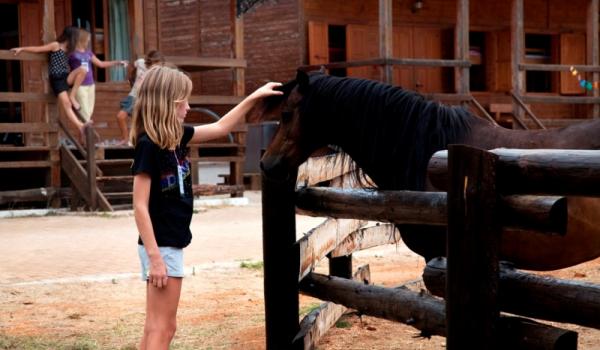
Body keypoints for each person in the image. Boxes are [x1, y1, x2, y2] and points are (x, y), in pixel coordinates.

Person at [130, 65, 282, 349]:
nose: (188, 107)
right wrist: (156, 259)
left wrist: (255, 97)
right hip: (161, 246)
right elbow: (139, 206)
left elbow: (221, 127)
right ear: (166, 103)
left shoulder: (176, 137)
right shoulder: (149, 145)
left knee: (155, 327)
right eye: (183, 101)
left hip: (167, 243)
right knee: (164, 329)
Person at [10, 26, 89, 142]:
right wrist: (21, 48)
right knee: (66, 104)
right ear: (71, 36)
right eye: (76, 37)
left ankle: (72, 95)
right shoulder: (56, 45)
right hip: (57, 79)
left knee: (83, 69)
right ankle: (80, 125)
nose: (77, 39)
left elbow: (83, 51)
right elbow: (38, 49)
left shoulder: (69, 49)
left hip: (65, 77)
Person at [68, 28, 128, 123]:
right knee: (85, 114)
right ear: (81, 39)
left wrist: (117, 62)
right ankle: (88, 135)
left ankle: (83, 136)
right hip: (80, 86)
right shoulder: (71, 54)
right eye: (87, 39)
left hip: (91, 85)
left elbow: (101, 64)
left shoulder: (88, 53)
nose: (88, 41)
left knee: (88, 113)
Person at [116, 50, 165, 145]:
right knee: (120, 116)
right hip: (133, 96)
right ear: (151, 61)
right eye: (156, 63)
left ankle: (133, 140)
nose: (157, 66)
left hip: (144, 99)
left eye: (160, 64)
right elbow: (131, 66)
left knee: (141, 122)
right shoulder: (141, 62)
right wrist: (130, 78)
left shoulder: (157, 73)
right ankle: (126, 139)